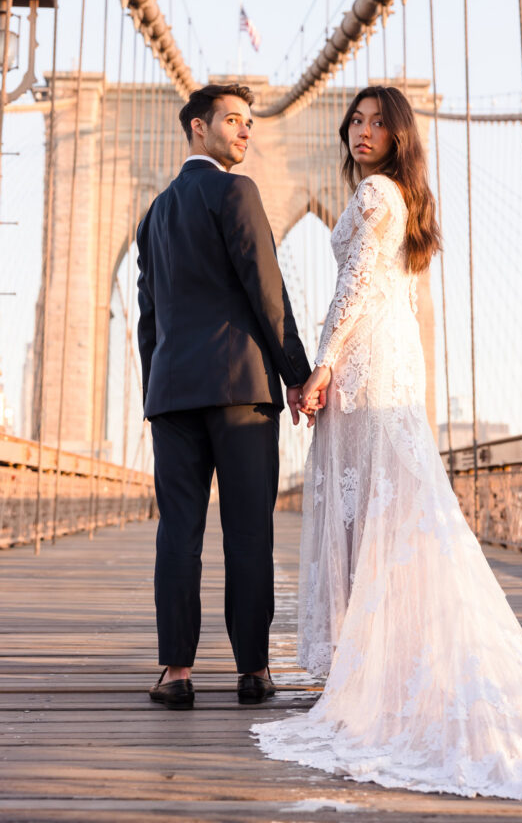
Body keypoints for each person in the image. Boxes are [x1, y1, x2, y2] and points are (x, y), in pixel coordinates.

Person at [252, 86, 522, 797]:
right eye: (355, 120)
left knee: (367, 514)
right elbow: (395, 297)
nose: (362, 131)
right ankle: (382, 663)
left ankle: (371, 674)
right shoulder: (406, 199)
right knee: (390, 516)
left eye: (378, 122)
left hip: (360, 368)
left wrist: (320, 366)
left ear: (398, 135)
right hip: (388, 366)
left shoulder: (376, 195)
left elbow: (353, 286)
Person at [137, 83, 312, 709]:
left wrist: (154, 386)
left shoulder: (153, 213)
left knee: (177, 533)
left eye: (249, 122)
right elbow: (268, 292)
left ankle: (176, 674)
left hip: (173, 398)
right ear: (197, 129)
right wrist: (298, 373)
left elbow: (148, 319)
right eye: (232, 121)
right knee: (247, 532)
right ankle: (253, 671)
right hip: (242, 392)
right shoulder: (237, 191)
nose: (245, 132)